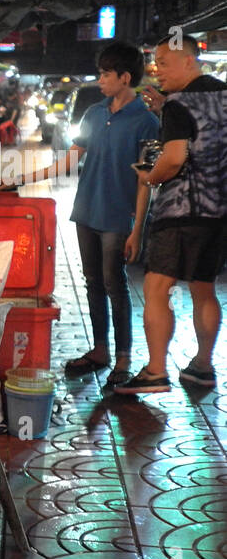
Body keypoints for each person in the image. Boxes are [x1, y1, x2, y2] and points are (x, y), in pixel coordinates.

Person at [20, 42, 159, 388]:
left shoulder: (146, 122)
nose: (100, 80)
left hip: (117, 217)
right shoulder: (94, 113)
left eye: (105, 74)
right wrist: (23, 178)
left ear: (125, 77)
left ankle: (123, 357)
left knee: (116, 286)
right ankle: (100, 350)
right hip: (87, 211)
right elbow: (71, 159)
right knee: (94, 283)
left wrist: (137, 229)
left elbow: (146, 182)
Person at [115, 33, 227, 394]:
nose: (156, 70)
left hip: (181, 211)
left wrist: (151, 176)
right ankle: (203, 366)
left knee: (157, 287)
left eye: (163, 62)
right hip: (218, 211)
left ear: (189, 61)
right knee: (203, 289)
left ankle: (156, 371)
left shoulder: (179, 104)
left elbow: (175, 157)